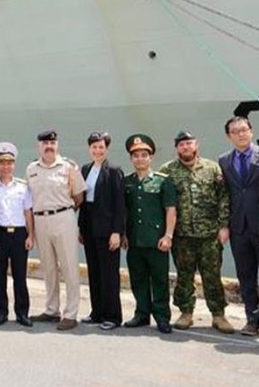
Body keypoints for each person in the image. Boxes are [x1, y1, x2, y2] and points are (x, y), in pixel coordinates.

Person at [159, 131, 233, 333]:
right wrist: (167, 232)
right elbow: (161, 202)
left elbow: (224, 197)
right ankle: (186, 313)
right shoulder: (167, 171)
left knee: (212, 276)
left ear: (196, 145)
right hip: (182, 235)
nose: (185, 147)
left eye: (189, 143)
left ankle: (218, 315)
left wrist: (223, 225)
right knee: (184, 275)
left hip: (209, 234)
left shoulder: (211, 168)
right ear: (177, 148)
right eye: (181, 144)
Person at [26, 130, 86, 331]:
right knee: (48, 267)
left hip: (63, 218)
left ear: (57, 145)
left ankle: (71, 313)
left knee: (69, 266)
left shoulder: (69, 167)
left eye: (52, 142)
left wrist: (65, 212)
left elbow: (79, 196)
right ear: (39, 146)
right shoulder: (31, 169)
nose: (48, 146)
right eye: (44, 143)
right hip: (40, 219)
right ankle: (52, 309)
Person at [122, 134, 177, 334]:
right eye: (136, 156)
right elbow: (125, 212)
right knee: (138, 279)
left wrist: (168, 236)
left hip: (157, 241)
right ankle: (142, 314)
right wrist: (124, 235)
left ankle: (162, 317)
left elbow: (170, 210)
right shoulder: (127, 182)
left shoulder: (163, 181)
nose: (140, 159)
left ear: (150, 157)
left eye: (144, 155)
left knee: (160, 280)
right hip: (135, 241)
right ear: (131, 159)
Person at [217, 116, 259, 336]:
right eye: (235, 131)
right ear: (229, 136)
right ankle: (252, 321)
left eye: (244, 130)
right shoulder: (224, 161)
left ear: (251, 131)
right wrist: (224, 225)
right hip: (238, 228)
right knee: (246, 277)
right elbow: (225, 195)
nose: (240, 134)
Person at [78, 132, 125, 331]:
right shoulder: (86, 169)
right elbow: (82, 201)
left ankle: (112, 316)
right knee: (94, 272)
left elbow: (120, 204)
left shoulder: (114, 171)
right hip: (89, 228)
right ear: (89, 149)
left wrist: (117, 232)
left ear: (107, 149)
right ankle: (96, 312)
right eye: (94, 147)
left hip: (107, 231)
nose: (97, 151)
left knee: (109, 274)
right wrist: (81, 228)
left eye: (101, 147)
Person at [0, 142, 35, 327]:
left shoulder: (23, 187)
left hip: (18, 234)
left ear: (14, 165)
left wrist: (31, 235)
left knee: (20, 275)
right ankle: (1, 313)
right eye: (2, 163)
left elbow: (28, 212)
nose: (6, 166)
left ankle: (22, 313)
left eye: (9, 163)